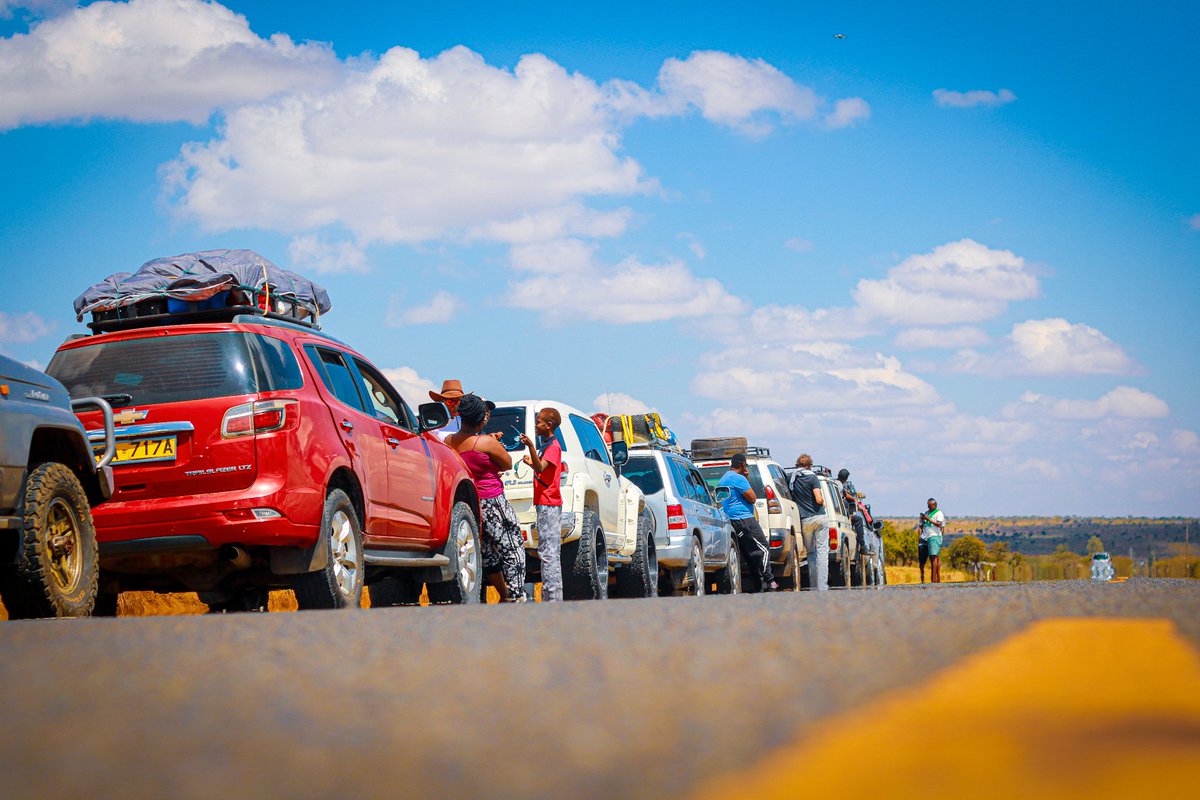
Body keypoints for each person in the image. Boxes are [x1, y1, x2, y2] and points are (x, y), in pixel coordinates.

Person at [446, 394, 527, 602]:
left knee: (487, 553)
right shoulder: (486, 443)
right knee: (512, 546)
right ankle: (517, 595)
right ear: (483, 419)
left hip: (470, 505)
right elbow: (507, 463)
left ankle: (503, 594)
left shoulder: (449, 441)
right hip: (493, 501)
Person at [520, 408, 565, 602]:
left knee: (549, 553)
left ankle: (553, 598)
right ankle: (552, 597)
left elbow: (541, 467)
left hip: (549, 503)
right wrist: (532, 462)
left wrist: (530, 446)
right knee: (548, 551)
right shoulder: (548, 446)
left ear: (549, 425)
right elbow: (540, 468)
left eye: (539, 422)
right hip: (544, 503)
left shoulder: (553, 447)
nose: (536, 426)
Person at [717, 454, 777, 592]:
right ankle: (770, 581)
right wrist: (746, 478)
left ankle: (758, 584)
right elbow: (752, 498)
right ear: (743, 465)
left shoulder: (724, 478)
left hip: (732, 520)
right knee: (763, 548)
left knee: (749, 553)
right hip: (744, 518)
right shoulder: (738, 479)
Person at [791, 454, 829, 591]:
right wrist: (823, 502)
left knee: (811, 553)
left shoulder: (793, 478)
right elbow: (818, 499)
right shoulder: (812, 477)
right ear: (810, 465)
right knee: (822, 552)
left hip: (805, 520)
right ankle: (822, 586)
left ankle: (813, 585)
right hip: (819, 518)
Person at [918, 497, 946, 584]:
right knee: (929, 559)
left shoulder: (939, 513)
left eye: (930, 506)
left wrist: (928, 519)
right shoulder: (926, 513)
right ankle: (929, 580)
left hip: (934, 537)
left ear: (935, 505)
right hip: (925, 538)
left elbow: (940, 525)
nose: (928, 507)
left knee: (934, 558)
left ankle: (934, 581)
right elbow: (920, 526)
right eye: (928, 505)